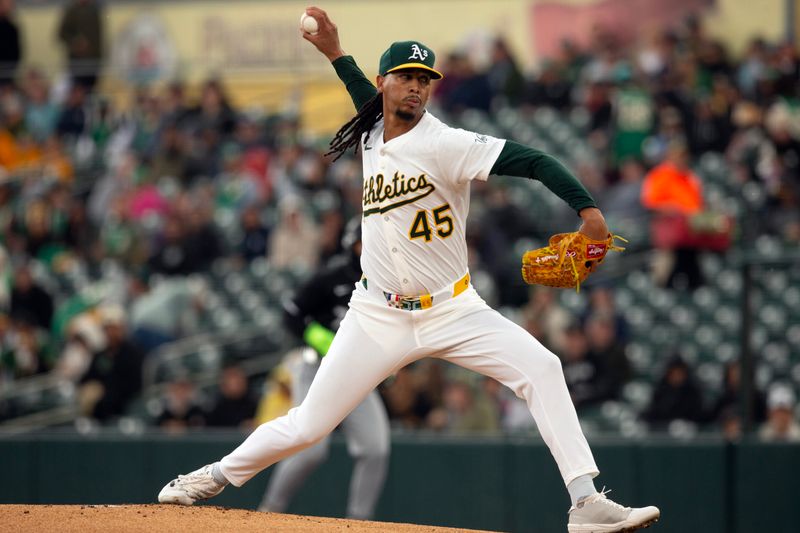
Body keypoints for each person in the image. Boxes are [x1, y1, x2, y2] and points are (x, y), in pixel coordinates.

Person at [158, 8, 660, 532]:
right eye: (406, 77)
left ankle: (585, 502)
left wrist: (589, 212)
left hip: (453, 308)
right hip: (377, 312)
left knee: (543, 368)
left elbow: (533, 160)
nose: (416, 88)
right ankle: (211, 477)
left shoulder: (447, 143)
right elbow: (356, 87)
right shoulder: (373, 126)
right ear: (384, 84)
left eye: (424, 79)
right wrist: (332, 49)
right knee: (308, 425)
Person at [258, 218, 390, 520]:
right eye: (364, 241)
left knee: (376, 448)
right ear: (352, 244)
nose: (370, 248)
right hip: (316, 367)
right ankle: (269, 512)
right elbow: (291, 313)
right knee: (311, 448)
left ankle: (360, 522)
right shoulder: (331, 277)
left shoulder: (386, 283)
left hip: (356, 374)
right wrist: (322, 338)